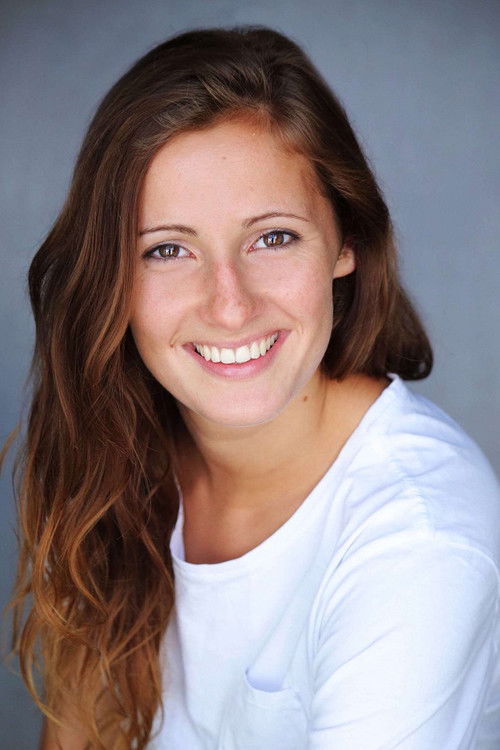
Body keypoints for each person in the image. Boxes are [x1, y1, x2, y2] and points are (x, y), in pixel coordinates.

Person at [8, 25, 500, 750]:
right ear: (111, 278)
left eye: (273, 237)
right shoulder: (114, 459)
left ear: (346, 241)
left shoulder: (420, 543)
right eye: (167, 249)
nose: (230, 305)